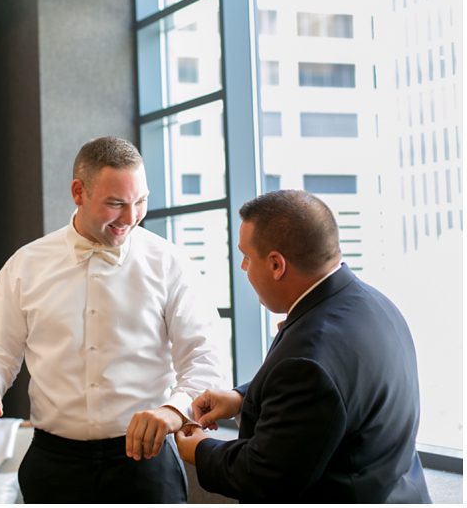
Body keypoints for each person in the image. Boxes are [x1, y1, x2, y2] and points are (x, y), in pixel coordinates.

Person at [0, 136, 222, 503]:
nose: (131, 218)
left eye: (140, 201)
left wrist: (174, 409)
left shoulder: (170, 264)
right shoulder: (25, 264)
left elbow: (205, 360)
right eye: (116, 204)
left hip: (146, 463)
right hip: (53, 464)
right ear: (78, 192)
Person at [175, 189, 431, 503]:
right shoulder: (375, 305)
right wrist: (241, 397)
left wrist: (200, 449)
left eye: (247, 257)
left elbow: (265, 475)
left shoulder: (309, 358)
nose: (243, 267)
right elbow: (332, 390)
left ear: (276, 265)